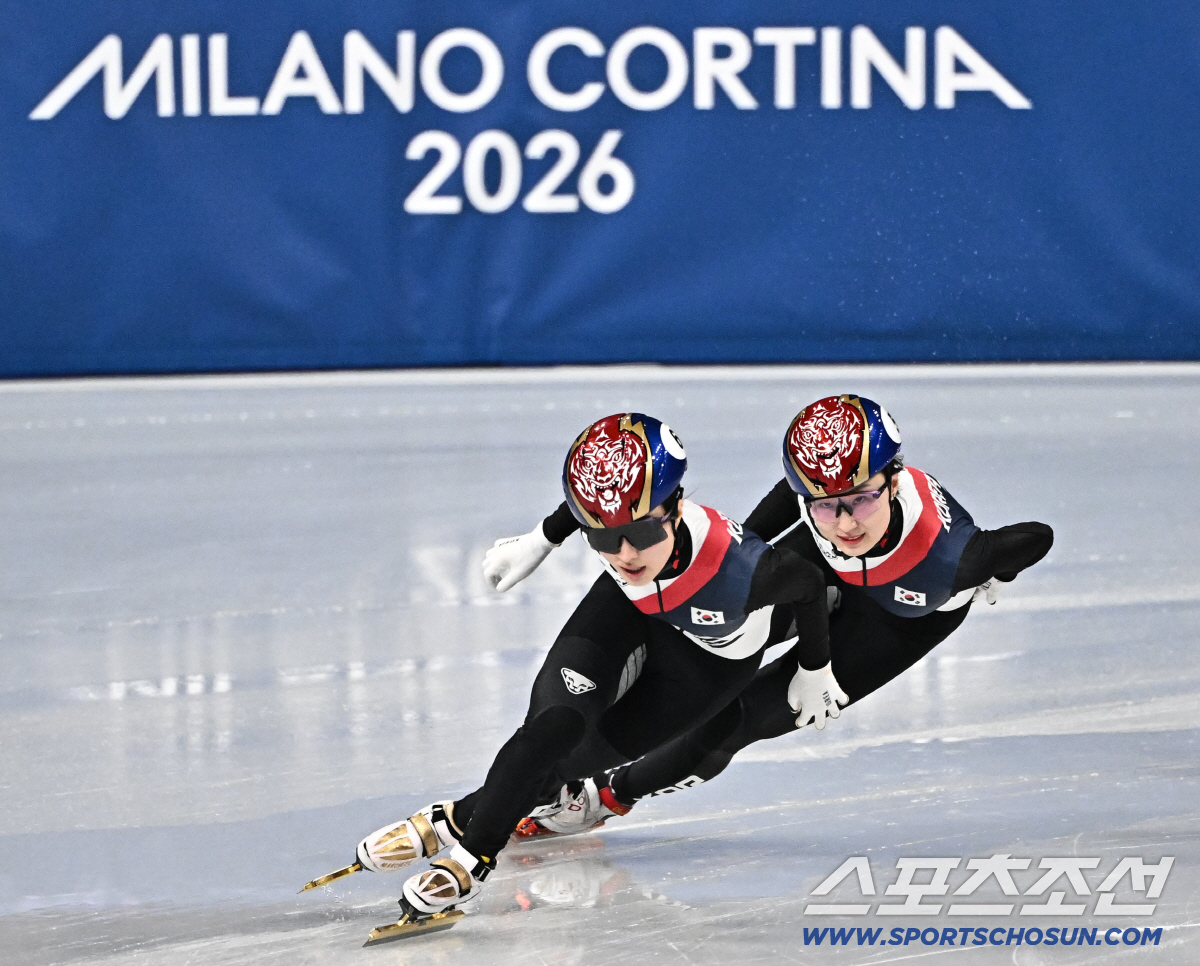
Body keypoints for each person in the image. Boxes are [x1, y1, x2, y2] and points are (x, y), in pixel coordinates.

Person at [324, 412, 835, 933]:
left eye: (641, 531)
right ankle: (471, 860)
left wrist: (814, 667)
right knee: (552, 729)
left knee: (572, 763)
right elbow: (588, 506)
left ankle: (457, 815)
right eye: (604, 538)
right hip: (629, 610)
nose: (625, 553)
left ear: (677, 507)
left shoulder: (749, 571)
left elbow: (811, 585)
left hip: (706, 664)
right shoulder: (618, 535)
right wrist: (543, 538)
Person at [487, 394, 1053, 837]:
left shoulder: (957, 558)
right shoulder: (822, 501)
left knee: (736, 721)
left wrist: (998, 572)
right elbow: (783, 503)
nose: (845, 524)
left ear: (894, 480)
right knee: (696, 642)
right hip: (821, 576)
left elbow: (1037, 537)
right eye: (824, 505)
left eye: (860, 499)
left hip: (898, 621)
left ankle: (608, 797)